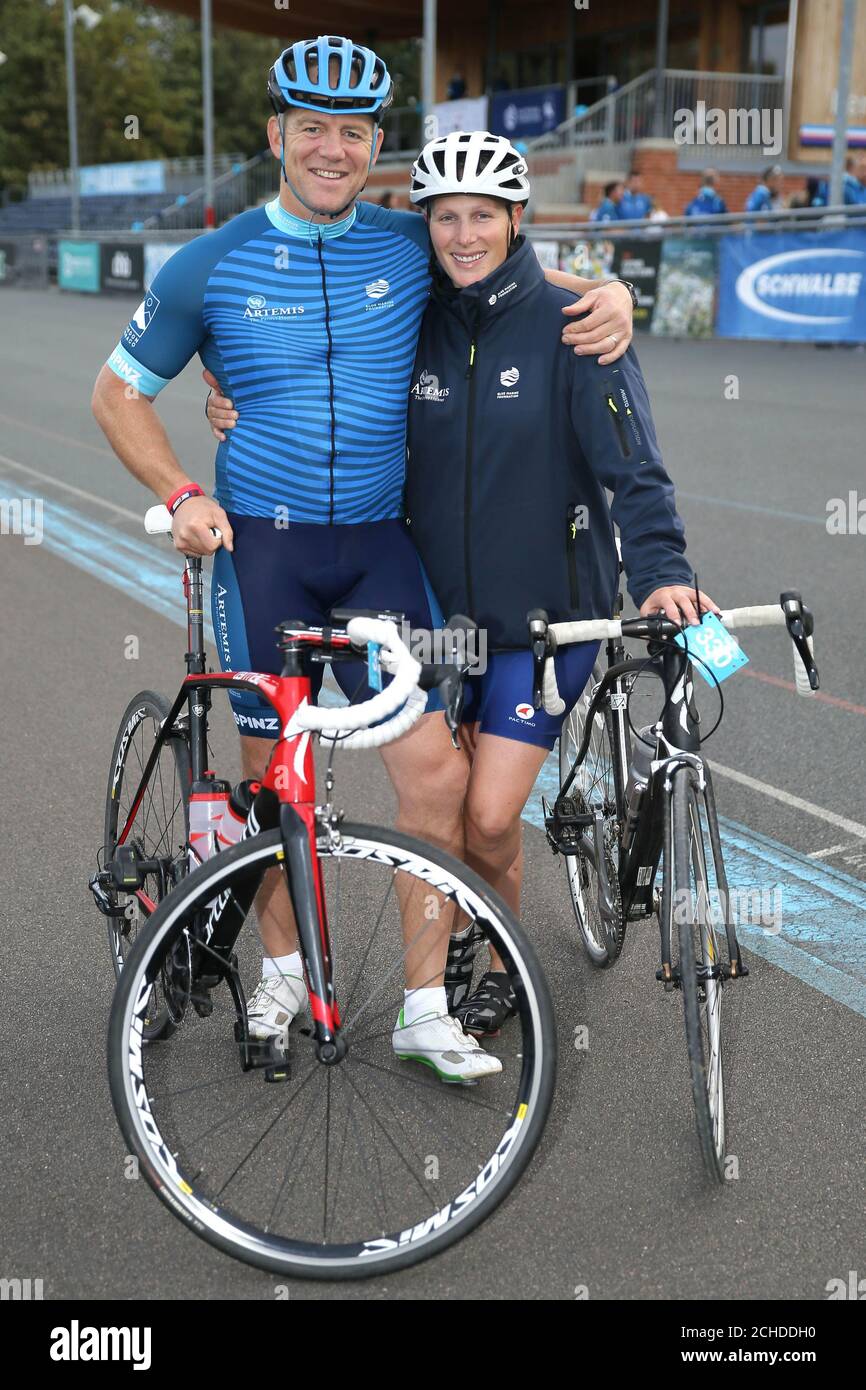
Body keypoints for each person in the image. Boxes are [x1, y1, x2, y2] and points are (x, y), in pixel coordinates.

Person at [98, 33, 633, 1083]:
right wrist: (181, 489)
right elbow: (117, 392)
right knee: (271, 781)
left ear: (374, 144)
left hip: (381, 551)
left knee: (433, 775)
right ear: (276, 137)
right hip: (264, 550)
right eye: (312, 130)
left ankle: (424, 1005)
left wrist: (605, 293)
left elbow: (507, 269)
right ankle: (284, 972)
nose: (332, 149)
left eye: (351, 132)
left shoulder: (403, 242)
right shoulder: (210, 261)